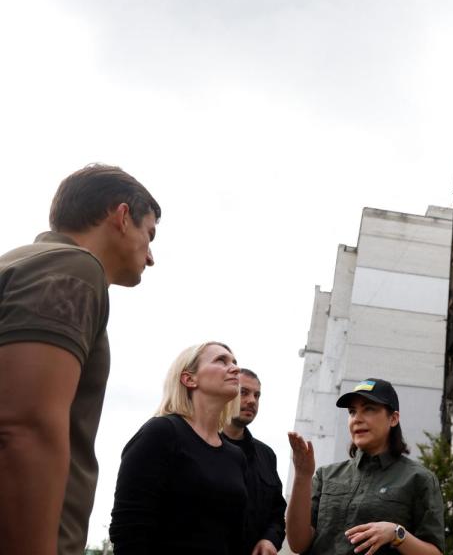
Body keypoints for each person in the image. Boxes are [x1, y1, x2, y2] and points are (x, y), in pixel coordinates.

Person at [0, 163, 160, 555]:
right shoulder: (74, 268)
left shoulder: (21, 261)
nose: (151, 257)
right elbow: (25, 426)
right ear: (122, 216)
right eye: (149, 234)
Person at [110, 341, 247, 554]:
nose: (236, 369)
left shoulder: (236, 456)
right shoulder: (161, 433)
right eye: (221, 360)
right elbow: (128, 528)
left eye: (235, 362)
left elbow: (235, 536)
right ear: (189, 379)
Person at [286, 378, 444, 555]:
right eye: (352, 412)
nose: (357, 419)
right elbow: (297, 544)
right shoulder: (326, 475)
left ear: (393, 418)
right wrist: (302, 476)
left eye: (369, 409)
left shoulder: (419, 479)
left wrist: (396, 534)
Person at [223, 368, 287, 555]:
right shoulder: (199, 445)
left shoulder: (266, 455)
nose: (252, 400)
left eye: (257, 395)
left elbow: (277, 514)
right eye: (243, 392)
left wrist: (270, 539)